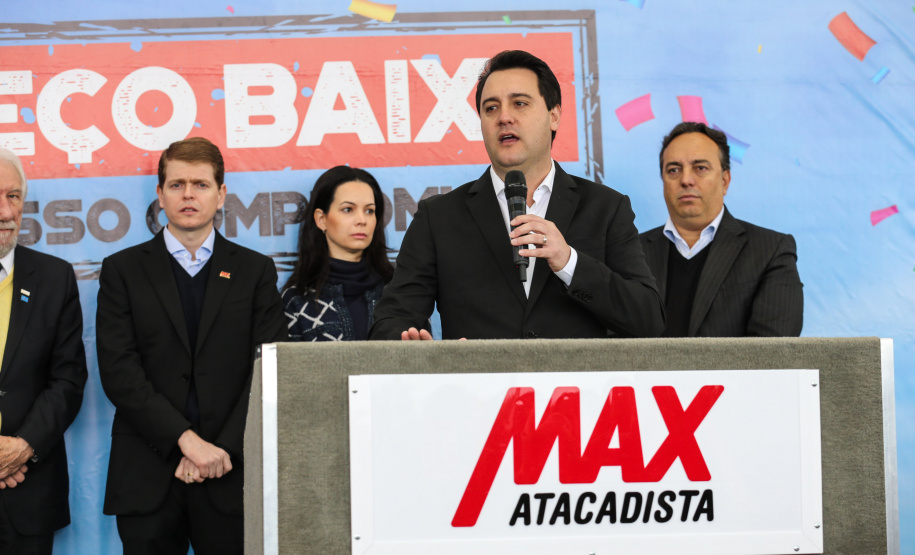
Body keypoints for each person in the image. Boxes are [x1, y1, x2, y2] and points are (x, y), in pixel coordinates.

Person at [370, 50, 664, 340]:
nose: (504, 117)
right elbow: (392, 320)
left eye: (520, 103)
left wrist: (569, 263)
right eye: (491, 108)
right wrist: (411, 347)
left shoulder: (605, 207)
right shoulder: (439, 217)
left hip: (573, 387)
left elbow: (647, 320)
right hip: (479, 386)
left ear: (554, 115)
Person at [96, 137, 287, 554]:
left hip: (229, 470)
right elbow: (119, 371)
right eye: (176, 184)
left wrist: (217, 452)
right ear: (160, 194)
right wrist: (186, 441)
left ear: (221, 195)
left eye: (200, 185)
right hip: (148, 474)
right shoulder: (122, 271)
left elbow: (267, 369)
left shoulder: (255, 271)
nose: (187, 194)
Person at [0, 148, 87, 554]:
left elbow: (68, 379)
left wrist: (22, 448)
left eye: (13, 197)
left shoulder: (54, 278)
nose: (4, 211)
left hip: (28, 486)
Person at [639, 122, 803, 337]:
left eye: (700, 168)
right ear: (663, 181)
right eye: (674, 170)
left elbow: (772, 355)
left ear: (725, 181)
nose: (686, 180)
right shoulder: (629, 252)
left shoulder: (771, 251)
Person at [282, 166, 394, 341]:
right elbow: (286, 367)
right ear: (321, 219)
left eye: (369, 211)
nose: (362, 220)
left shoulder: (399, 291)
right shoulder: (296, 300)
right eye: (348, 209)